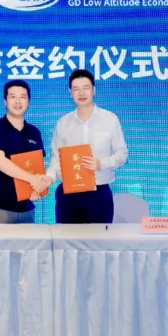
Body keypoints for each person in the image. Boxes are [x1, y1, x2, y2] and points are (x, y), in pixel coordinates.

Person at [45, 69, 128, 223]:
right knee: (65, 238)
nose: (81, 93)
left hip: (99, 193)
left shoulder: (110, 119)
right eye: (76, 89)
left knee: (99, 238)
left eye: (86, 88)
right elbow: (56, 161)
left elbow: (122, 154)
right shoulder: (63, 123)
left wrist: (101, 163)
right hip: (68, 195)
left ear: (93, 90)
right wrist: (49, 178)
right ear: (70, 92)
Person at [0, 79, 49, 223]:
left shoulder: (34, 132)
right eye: (13, 97)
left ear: (28, 102)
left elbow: (37, 167)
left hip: (27, 208)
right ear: (5, 102)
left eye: (22, 97)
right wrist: (32, 179)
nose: (18, 101)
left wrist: (37, 188)